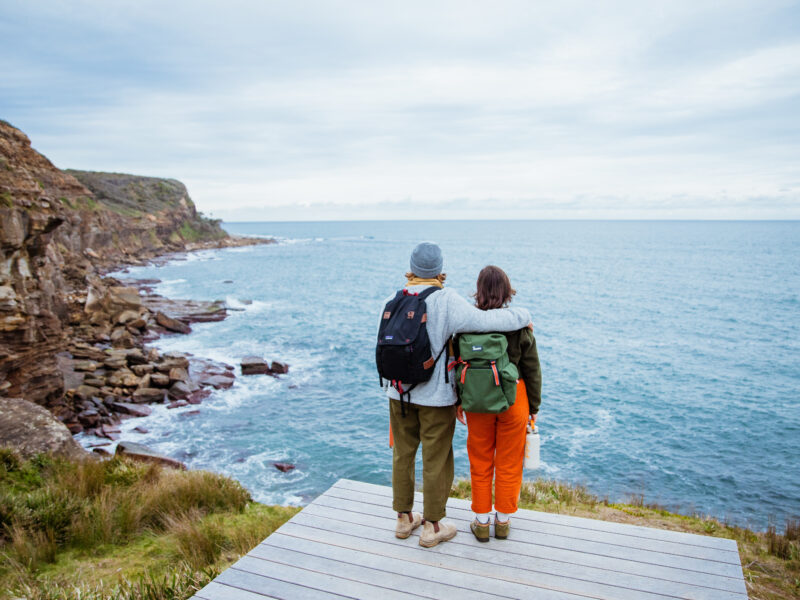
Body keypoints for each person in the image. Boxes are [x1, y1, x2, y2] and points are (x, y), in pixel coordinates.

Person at [381, 243, 531, 548]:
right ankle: (432, 527)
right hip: (435, 398)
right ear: (439, 269)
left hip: (397, 393)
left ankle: (403, 519)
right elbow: (488, 321)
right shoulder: (446, 300)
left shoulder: (392, 299)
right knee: (436, 460)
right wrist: (523, 315)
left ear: (411, 267)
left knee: (403, 455)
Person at [456, 265, 541, 542]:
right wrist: (534, 408)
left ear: (479, 291)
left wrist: (458, 401)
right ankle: (503, 522)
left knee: (480, 460)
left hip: (477, 400)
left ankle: (481, 522)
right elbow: (532, 370)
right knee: (509, 461)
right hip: (514, 399)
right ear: (506, 292)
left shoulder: (466, 325)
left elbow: (455, 366)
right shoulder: (519, 325)